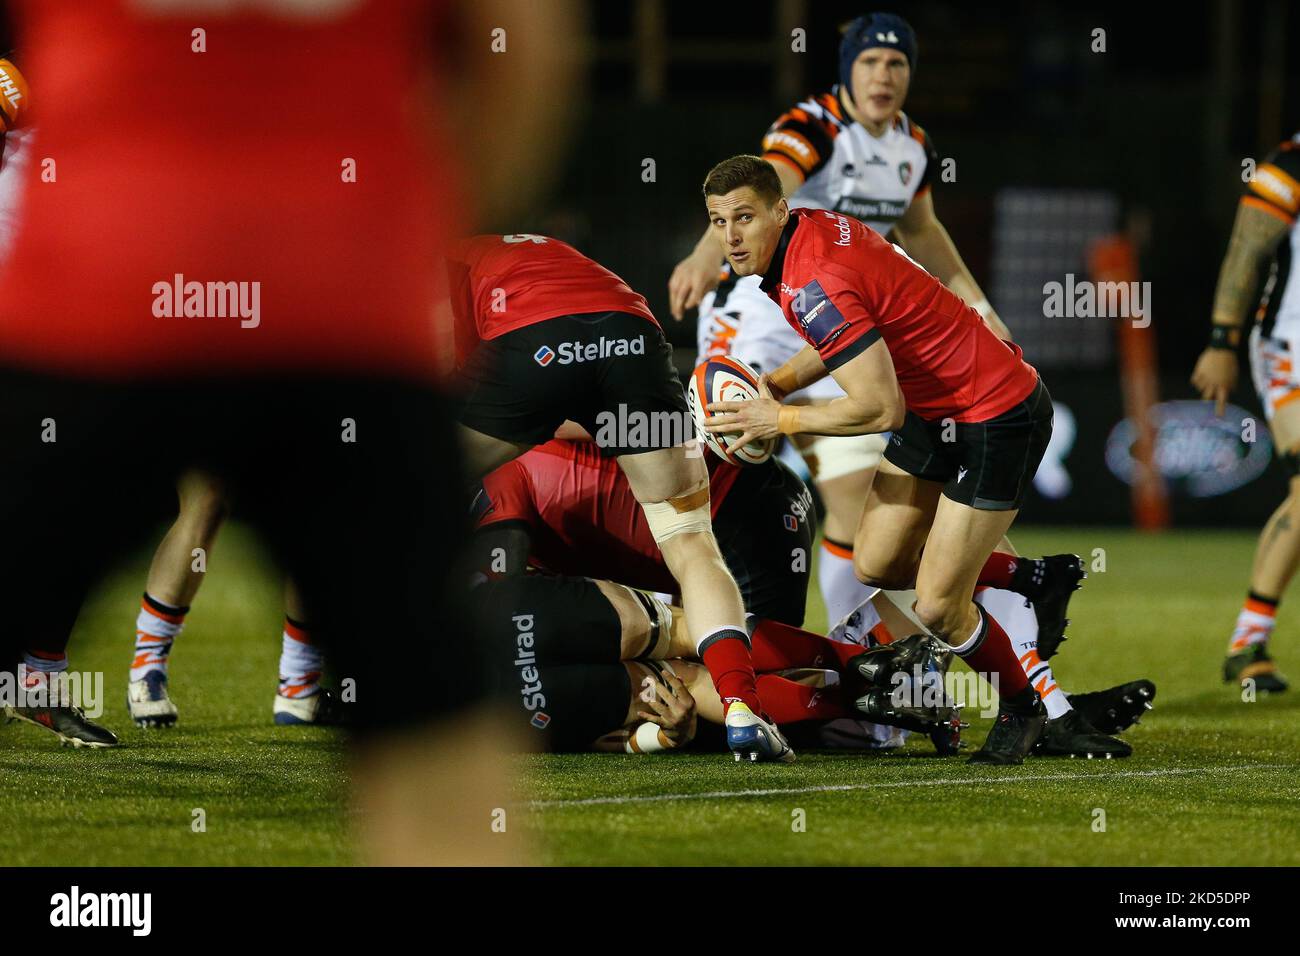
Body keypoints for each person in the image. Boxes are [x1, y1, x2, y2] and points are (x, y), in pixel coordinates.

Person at [698, 155, 1066, 764]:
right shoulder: (810, 235)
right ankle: (1036, 578)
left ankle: (1024, 708)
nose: (731, 236)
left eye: (745, 218)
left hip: (996, 413)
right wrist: (781, 384)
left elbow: (878, 408)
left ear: (779, 211)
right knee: (876, 560)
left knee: (940, 605)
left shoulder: (811, 279)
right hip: (938, 407)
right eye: (718, 221)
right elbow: (856, 332)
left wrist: (777, 418)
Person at [674, 13, 1011, 626]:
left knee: (868, 510)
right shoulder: (812, 126)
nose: (884, 75)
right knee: (706, 486)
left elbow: (923, 231)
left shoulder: (913, 146)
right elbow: (754, 187)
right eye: (870, 62)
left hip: (844, 334)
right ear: (846, 70)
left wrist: (982, 308)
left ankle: (865, 670)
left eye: (897, 63)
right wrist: (703, 256)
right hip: (761, 327)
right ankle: (693, 648)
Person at [448, 235, 794, 761]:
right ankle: (742, 709)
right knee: (691, 541)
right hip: (634, 335)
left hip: (536, 342)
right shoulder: (523, 251)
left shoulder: (433, 263)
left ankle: (363, 669)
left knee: (401, 493)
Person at [1191, 132, 1300, 694]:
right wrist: (1221, 340)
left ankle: (1247, 638)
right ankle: (1247, 639)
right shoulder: (1290, 163)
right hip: (1290, 349)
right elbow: (1247, 249)